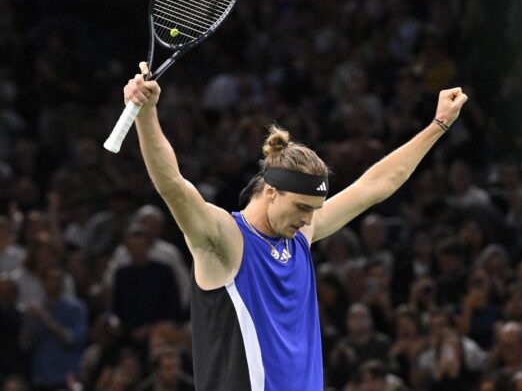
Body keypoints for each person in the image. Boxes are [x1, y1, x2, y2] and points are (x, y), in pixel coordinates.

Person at [123, 61, 468, 391]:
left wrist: (437, 126)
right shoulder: (225, 239)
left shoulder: (299, 235)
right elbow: (174, 187)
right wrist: (147, 114)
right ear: (271, 191)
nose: (308, 219)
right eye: (302, 207)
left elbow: (374, 186)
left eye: (314, 209)